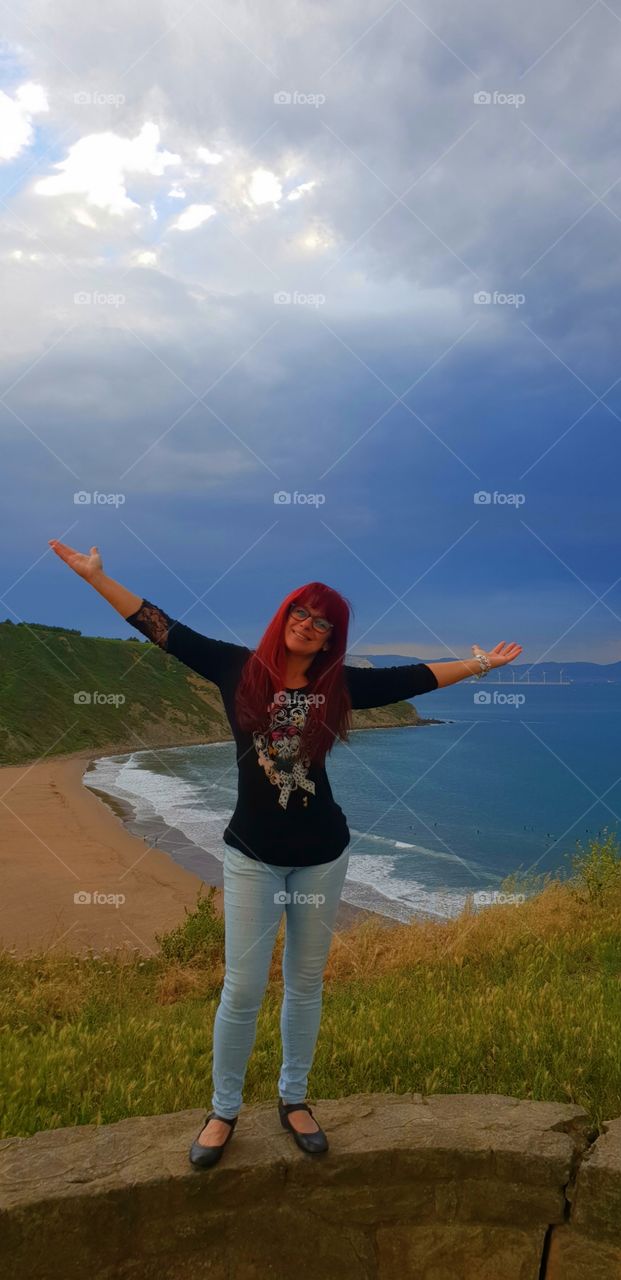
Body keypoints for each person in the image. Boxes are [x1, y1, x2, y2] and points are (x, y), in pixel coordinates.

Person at [48, 538, 522, 1167]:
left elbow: (418, 677)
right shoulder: (236, 668)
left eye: (322, 621)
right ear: (284, 617)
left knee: (304, 985)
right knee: (242, 989)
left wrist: (481, 664)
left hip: (324, 854)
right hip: (252, 854)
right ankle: (222, 1112)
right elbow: (159, 626)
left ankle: (294, 1100)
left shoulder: (339, 687)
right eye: (300, 612)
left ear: (331, 637)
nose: (308, 624)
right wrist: (95, 579)